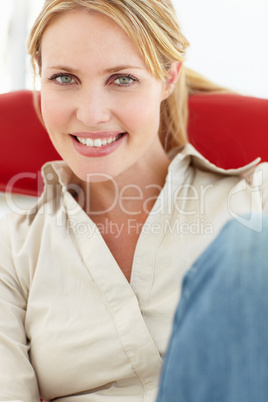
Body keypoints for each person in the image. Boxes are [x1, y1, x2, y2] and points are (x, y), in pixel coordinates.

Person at [0, 0, 267, 401]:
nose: (91, 115)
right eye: (64, 78)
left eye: (122, 79)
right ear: (40, 79)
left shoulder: (255, 202)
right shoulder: (11, 248)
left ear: (169, 78)